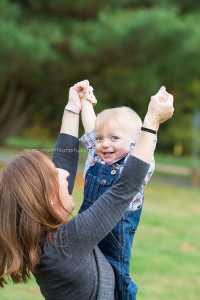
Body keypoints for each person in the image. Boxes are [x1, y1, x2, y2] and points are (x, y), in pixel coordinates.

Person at [0, 81, 174, 300]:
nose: (64, 174)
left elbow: (64, 159)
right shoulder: (65, 245)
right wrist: (153, 121)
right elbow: (125, 188)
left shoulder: (42, 238)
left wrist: (73, 107)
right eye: (54, 176)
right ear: (45, 200)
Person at [75, 80, 168, 300]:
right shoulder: (96, 155)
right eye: (101, 139)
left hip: (114, 234)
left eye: (114, 138)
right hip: (86, 225)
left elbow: (146, 142)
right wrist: (85, 100)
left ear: (135, 141)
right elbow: (91, 128)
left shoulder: (135, 163)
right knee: (81, 272)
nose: (104, 144)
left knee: (117, 276)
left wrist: (154, 115)